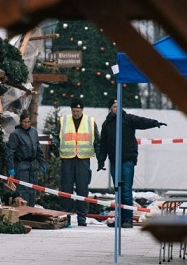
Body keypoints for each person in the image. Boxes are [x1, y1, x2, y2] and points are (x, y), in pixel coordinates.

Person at [97, 98, 166, 228]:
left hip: (127, 159)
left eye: (118, 106)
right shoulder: (107, 124)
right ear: (110, 109)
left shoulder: (128, 119)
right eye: (114, 106)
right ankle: (120, 217)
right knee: (118, 190)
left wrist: (154, 123)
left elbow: (141, 121)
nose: (117, 108)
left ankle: (127, 219)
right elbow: (103, 144)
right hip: (114, 161)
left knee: (126, 190)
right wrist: (101, 160)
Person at [54, 98, 100, 227]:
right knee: (66, 189)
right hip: (67, 159)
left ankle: (82, 218)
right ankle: (66, 217)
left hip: (83, 159)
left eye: (78, 111)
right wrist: (55, 144)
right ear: (71, 110)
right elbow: (55, 135)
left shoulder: (90, 122)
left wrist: (100, 155)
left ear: (82, 110)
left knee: (82, 189)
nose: (76, 113)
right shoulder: (63, 120)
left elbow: (97, 139)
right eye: (74, 111)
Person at [6, 110, 48, 207]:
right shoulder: (16, 134)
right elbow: (10, 152)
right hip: (21, 165)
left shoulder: (33, 132)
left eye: (28, 122)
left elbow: (38, 149)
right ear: (21, 122)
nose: (26, 124)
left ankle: (31, 209)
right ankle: (23, 212)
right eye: (24, 122)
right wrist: (11, 168)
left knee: (32, 189)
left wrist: (42, 163)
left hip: (32, 165)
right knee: (23, 189)